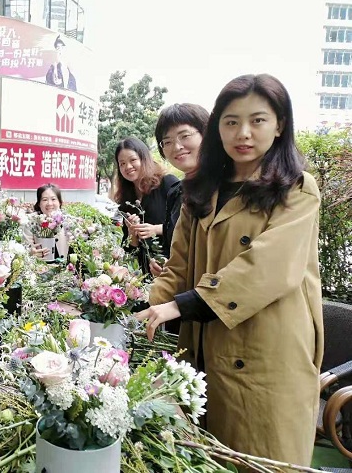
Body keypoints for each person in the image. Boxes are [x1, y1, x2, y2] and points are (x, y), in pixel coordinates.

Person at [137, 74, 323, 465]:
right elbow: (178, 267)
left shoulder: (296, 188)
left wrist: (182, 305)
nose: (243, 133)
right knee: (208, 456)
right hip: (206, 345)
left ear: (280, 125)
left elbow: (267, 267)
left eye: (258, 120)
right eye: (231, 121)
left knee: (262, 456)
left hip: (267, 351)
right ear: (217, 127)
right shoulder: (200, 189)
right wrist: (134, 311)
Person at [150, 103, 210, 280]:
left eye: (185, 136)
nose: (177, 147)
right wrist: (167, 265)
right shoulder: (176, 193)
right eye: (167, 142)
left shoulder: (226, 188)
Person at [113, 137, 179, 276]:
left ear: (144, 158)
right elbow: (130, 251)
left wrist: (155, 229)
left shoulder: (167, 184)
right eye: (122, 163)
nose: (128, 167)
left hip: (171, 267)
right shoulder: (126, 201)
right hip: (144, 274)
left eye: (132, 160)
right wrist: (132, 234)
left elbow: (186, 227)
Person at [24, 183, 69, 260]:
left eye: (53, 199)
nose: (49, 203)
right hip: (40, 266)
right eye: (45, 200)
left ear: (60, 202)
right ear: (39, 204)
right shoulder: (31, 223)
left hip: (65, 266)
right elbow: (25, 248)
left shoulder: (68, 222)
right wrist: (31, 252)